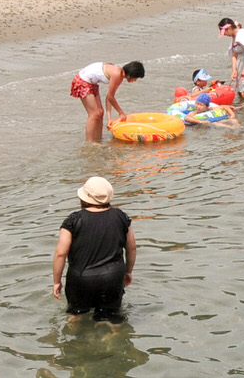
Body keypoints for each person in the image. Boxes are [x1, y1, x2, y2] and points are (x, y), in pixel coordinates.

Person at [52, 176, 137, 322]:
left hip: (81, 279)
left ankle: (75, 342)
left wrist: (56, 281)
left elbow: (61, 254)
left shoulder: (73, 220)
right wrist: (128, 271)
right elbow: (132, 247)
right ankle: (111, 337)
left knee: (76, 315)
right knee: (112, 317)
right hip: (112, 277)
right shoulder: (121, 217)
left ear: (83, 198)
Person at [71, 60, 146, 142]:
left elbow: (109, 97)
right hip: (83, 80)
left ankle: (98, 139)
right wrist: (121, 113)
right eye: (136, 78)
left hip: (92, 83)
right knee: (94, 114)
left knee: (100, 112)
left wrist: (109, 119)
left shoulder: (120, 75)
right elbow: (110, 97)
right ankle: (89, 142)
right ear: (131, 74)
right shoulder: (117, 74)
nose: (135, 80)